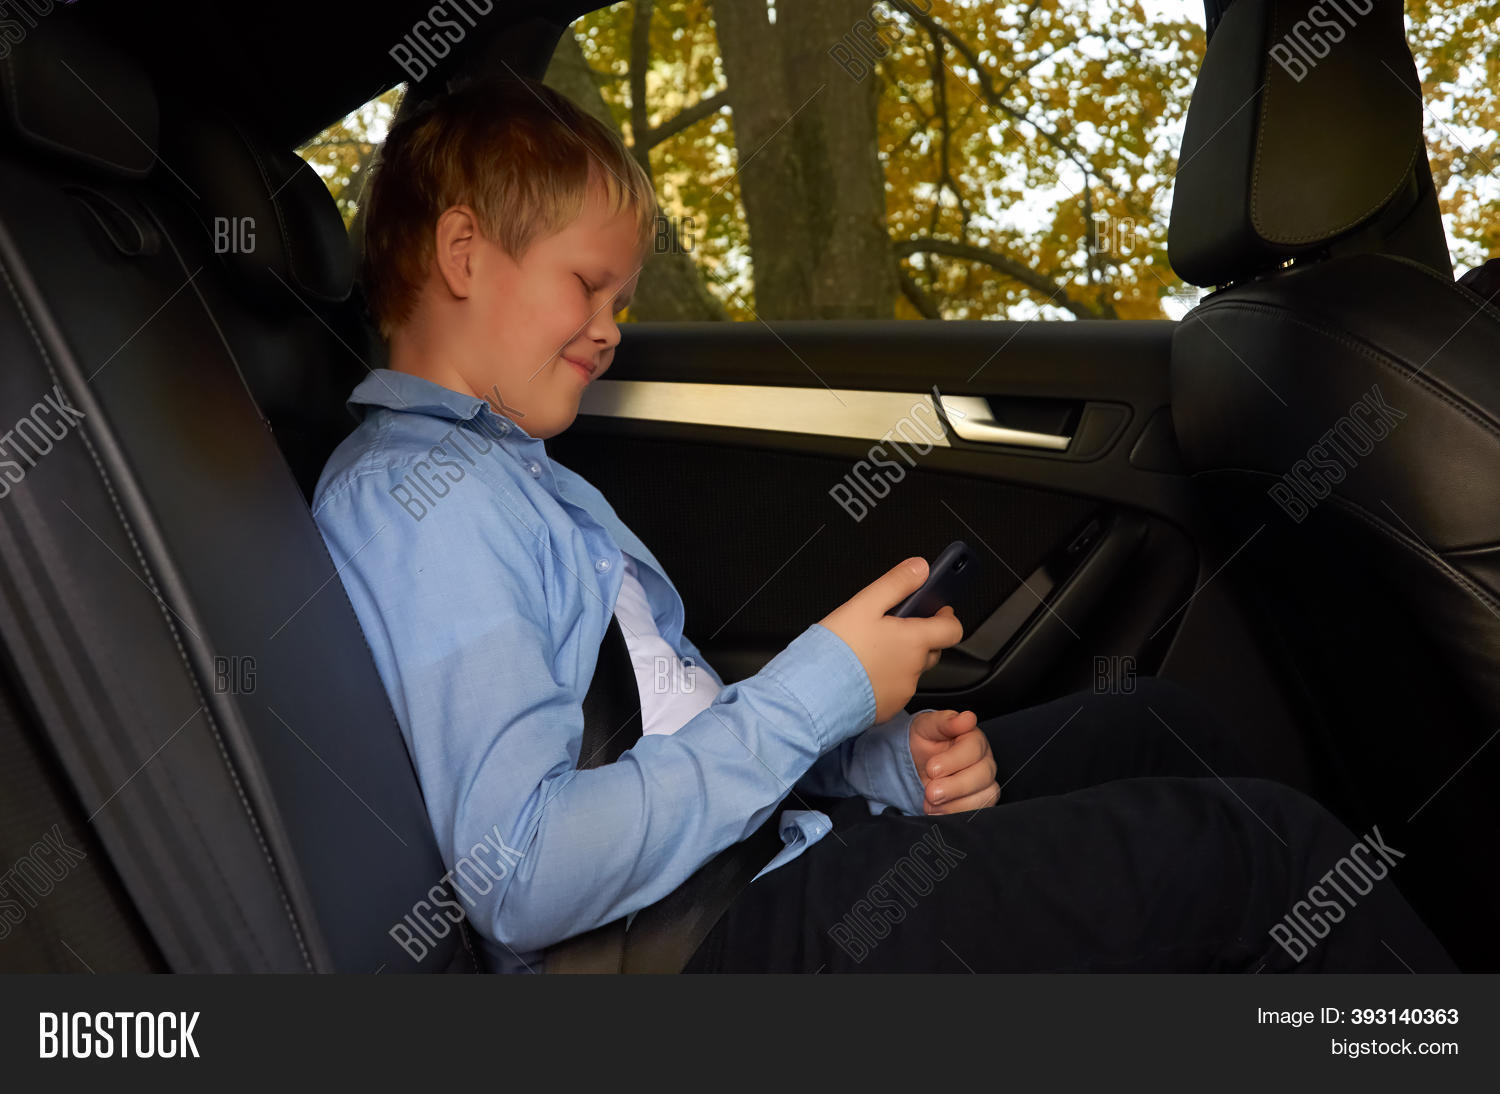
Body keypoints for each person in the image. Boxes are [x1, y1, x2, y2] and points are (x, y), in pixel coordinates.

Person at [311, 75, 1455, 974]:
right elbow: (521, 872)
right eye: (589, 285)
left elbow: (669, 721)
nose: (612, 329)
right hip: (694, 951)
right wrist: (819, 689)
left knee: (1158, 725)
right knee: (1263, 860)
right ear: (465, 255)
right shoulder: (429, 504)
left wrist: (872, 765)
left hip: (753, 870)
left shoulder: (521, 476)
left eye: (623, 300)